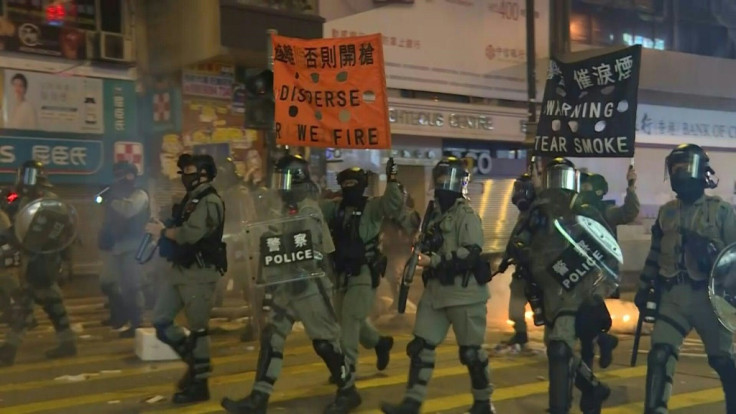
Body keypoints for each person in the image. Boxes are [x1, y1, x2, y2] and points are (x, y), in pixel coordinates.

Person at [221, 154, 361, 414]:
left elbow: (313, 251)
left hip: (309, 286)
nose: (279, 186)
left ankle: (348, 390)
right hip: (286, 285)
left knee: (325, 342)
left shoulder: (308, 210)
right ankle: (259, 397)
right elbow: (273, 239)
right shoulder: (285, 209)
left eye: (283, 179)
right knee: (272, 337)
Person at [381, 157, 494, 414]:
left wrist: (435, 260)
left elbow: (471, 252)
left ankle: (483, 403)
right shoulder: (433, 215)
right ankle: (412, 402)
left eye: (449, 180)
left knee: (471, 354)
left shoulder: (467, 216)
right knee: (421, 348)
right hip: (437, 293)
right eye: (440, 179)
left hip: (465, 295)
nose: (444, 185)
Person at [636, 144, 736, 413]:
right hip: (673, 296)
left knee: (723, 361)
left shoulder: (722, 212)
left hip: (710, 300)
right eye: (676, 168)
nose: (681, 174)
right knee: (659, 355)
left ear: (703, 172)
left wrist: (711, 254)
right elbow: (655, 253)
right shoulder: (666, 212)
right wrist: (643, 288)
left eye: (686, 167)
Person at [508, 158, 611, 414]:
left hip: (574, 287)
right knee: (557, 347)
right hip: (547, 289)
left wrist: (597, 288)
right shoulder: (537, 210)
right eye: (553, 177)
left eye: (561, 177)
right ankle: (592, 386)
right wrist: (520, 248)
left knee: (559, 348)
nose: (557, 184)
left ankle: (559, 407)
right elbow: (518, 240)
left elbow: (603, 244)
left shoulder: (582, 208)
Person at [145, 154, 227, 404]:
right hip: (181, 270)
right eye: (184, 171)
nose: (185, 175)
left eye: (190, 170)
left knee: (198, 330)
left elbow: (190, 234)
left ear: (204, 173)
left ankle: (200, 383)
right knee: (160, 320)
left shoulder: (210, 200)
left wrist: (164, 232)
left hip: (199, 274)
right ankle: (195, 364)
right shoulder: (191, 199)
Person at [320, 163, 405, 382]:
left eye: (353, 184)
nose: (349, 188)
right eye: (346, 183)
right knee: (345, 318)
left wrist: (392, 179)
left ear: (363, 186)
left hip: (363, 272)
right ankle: (379, 343)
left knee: (350, 318)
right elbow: (311, 212)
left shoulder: (372, 207)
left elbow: (392, 204)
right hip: (339, 273)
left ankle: (347, 368)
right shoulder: (334, 208)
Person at [0, 160, 76, 366]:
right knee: (54, 305)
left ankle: (9, 350)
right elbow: (10, 205)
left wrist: (8, 236)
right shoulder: (27, 198)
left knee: (24, 308)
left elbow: (47, 233)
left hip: (42, 261)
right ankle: (68, 343)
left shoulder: (47, 201)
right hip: (36, 262)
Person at [575, 170, 639, 370]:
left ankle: (592, 352)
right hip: (578, 271)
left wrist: (631, 186)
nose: (585, 190)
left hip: (600, 274)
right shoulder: (574, 210)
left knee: (587, 312)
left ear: (600, 191)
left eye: (589, 186)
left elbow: (630, 211)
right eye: (582, 186)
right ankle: (603, 340)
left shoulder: (606, 211)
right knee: (583, 315)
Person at [98, 161, 150, 337]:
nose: (119, 178)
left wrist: (112, 199)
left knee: (132, 286)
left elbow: (128, 210)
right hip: (118, 246)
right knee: (109, 282)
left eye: (122, 174)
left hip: (135, 245)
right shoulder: (116, 195)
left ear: (131, 176)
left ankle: (137, 322)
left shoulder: (140, 194)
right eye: (117, 175)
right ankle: (119, 316)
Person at [496, 173, 536, 352]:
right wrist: (505, 260)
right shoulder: (524, 215)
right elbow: (514, 240)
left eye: (521, 189)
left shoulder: (538, 214)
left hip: (538, 270)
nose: (518, 193)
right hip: (523, 270)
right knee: (515, 307)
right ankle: (520, 334)